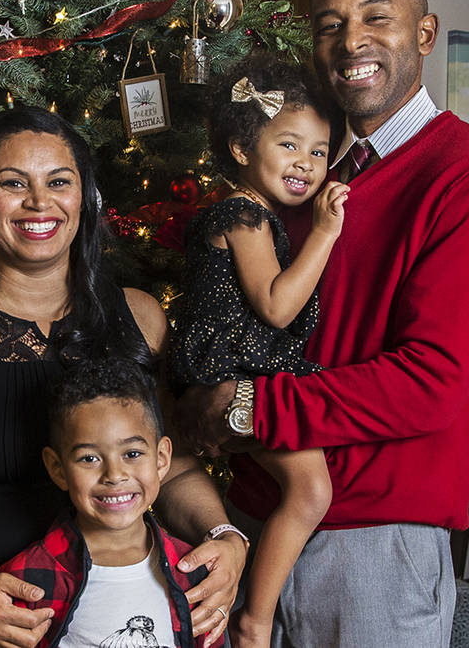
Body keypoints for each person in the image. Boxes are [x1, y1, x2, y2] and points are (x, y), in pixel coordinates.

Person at [178, 0, 469, 646]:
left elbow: (431, 382)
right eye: (329, 25)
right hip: (249, 528)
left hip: (376, 551)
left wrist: (249, 409)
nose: (350, 41)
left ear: (424, 35)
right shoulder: (294, 186)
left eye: (376, 16)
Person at [0, 106, 247, 648]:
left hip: (110, 612)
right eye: (13, 183)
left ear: (83, 200)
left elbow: (170, 464)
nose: (39, 202)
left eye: (59, 182)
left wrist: (224, 535)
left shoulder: (139, 317)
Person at [169, 53, 348, 648]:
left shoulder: (263, 215)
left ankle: (252, 612)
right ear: (244, 149)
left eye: (319, 152)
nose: (306, 163)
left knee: (309, 487)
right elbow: (276, 307)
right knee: (312, 489)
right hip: (231, 372)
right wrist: (324, 232)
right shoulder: (244, 214)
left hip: (247, 371)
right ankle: (255, 620)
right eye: (289, 144)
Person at [0, 357, 222, 648]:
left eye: (132, 454)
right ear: (57, 468)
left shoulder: (194, 573)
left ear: (161, 458)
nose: (115, 475)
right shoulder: (25, 581)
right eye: (89, 458)